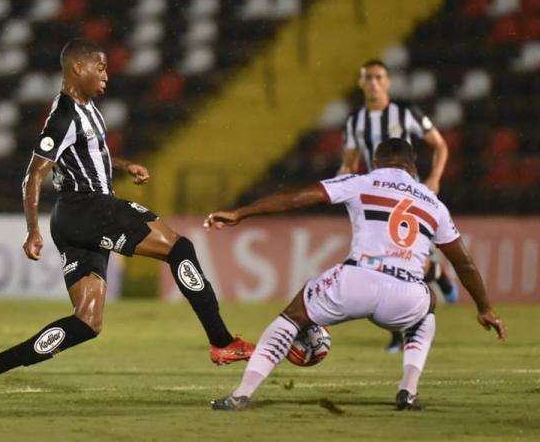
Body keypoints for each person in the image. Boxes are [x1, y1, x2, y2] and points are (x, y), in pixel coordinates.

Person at [0, 39, 253, 396]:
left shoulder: (88, 109)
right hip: (89, 208)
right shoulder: (64, 114)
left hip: (74, 219)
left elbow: (91, 155)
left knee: (87, 321)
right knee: (180, 248)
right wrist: (31, 230)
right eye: (100, 68)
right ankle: (221, 341)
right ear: (78, 69)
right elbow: (34, 174)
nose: (107, 76)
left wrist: (125, 166)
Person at [205, 138, 507, 411]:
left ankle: (242, 394)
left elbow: (297, 197)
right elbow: (464, 263)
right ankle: (408, 391)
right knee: (427, 307)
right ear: (413, 166)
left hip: (357, 280)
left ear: (375, 162)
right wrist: (485, 308)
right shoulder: (434, 204)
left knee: (293, 317)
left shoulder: (363, 181)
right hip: (405, 295)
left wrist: (241, 213)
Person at [339, 59, 458, 353]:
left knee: (405, 260)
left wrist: (434, 178)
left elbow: (440, 145)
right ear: (360, 82)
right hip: (375, 200)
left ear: (388, 81)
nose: (373, 83)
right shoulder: (355, 121)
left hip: (409, 198)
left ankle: (429, 290)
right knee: (383, 260)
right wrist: (342, 180)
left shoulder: (406, 113)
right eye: (367, 78)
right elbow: (349, 161)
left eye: (379, 77)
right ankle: (435, 283)